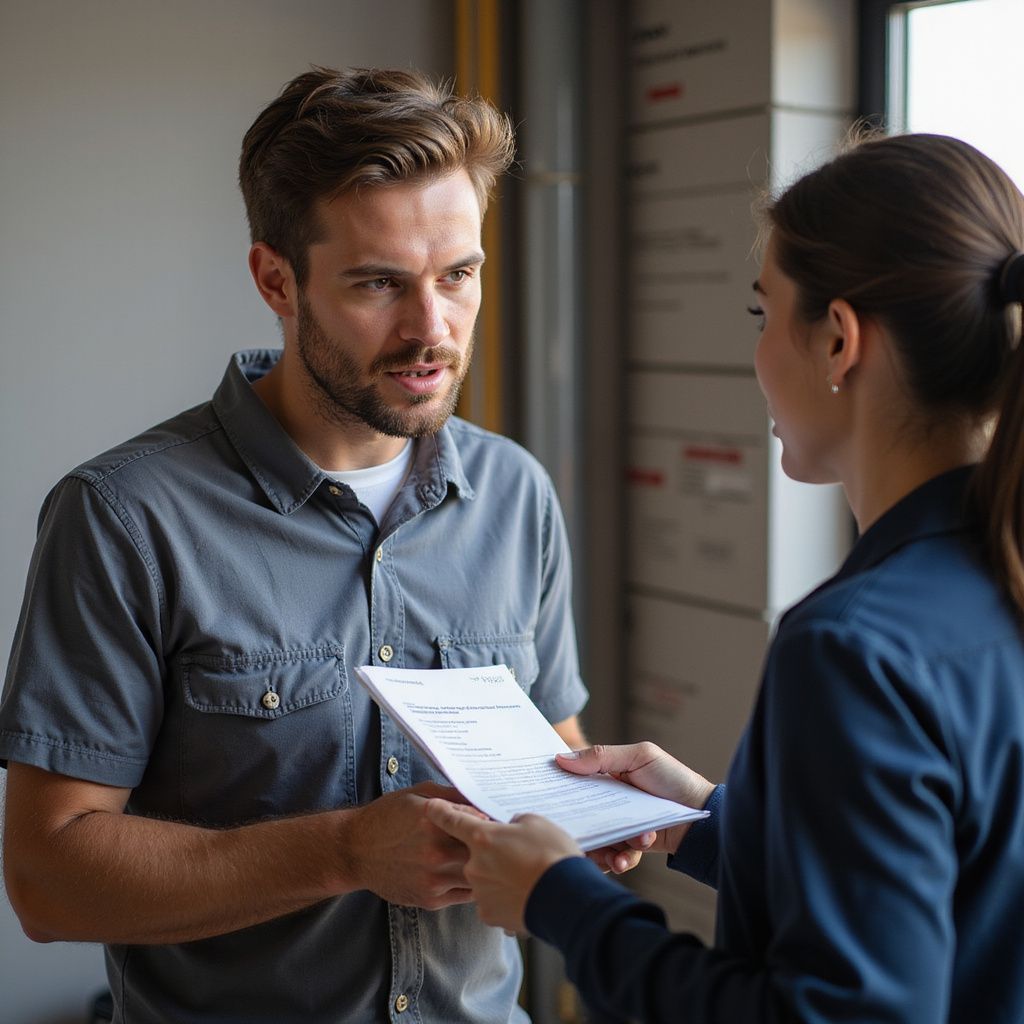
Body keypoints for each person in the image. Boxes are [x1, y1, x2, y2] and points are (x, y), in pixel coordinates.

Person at [0, 66, 590, 1023]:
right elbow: (48, 877)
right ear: (277, 279)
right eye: (378, 284)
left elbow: (551, 759)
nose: (431, 328)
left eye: (459, 275)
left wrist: (611, 809)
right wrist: (348, 850)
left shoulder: (515, 492)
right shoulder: (124, 516)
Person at [426, 132, 1024, 1024]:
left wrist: (559, 897)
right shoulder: (992, 590)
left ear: (837, 342)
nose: (757, 354)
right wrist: (713, 820)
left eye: (762, 313)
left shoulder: (854, 648)